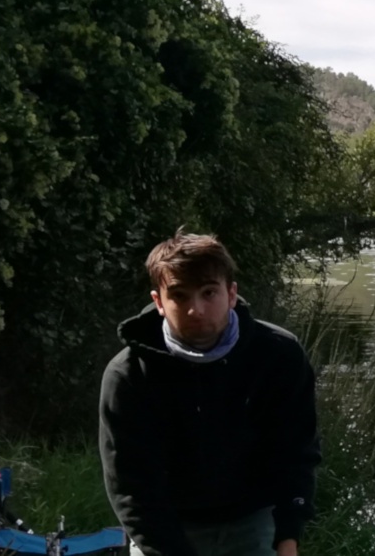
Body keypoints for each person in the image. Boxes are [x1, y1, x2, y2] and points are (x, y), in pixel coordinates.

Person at [99, 231, 320, 556]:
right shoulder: (128, 375)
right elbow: (132, 489)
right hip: (165, 528)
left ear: (231, 294)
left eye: (208, 292)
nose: (196, 310)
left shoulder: (279, 355)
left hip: (253, 521)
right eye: (180, 296)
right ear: (159, 302)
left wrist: (289, 535)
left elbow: (295, 453)